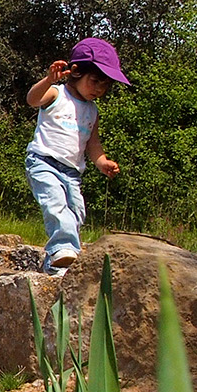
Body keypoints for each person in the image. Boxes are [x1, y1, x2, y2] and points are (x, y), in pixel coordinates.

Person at [24, 37, 128, 274]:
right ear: (76, 72)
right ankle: (64, 249)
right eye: (94, 81)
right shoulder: (56, 94)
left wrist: (102, 161)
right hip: (44, 162)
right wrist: (49, 79)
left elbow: (92, 143)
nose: (99, 89)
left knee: (76, 213)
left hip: (72, 172)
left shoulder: (92, 110)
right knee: (55, 204)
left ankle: (54, 264)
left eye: (105, 85)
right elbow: (32, 100)